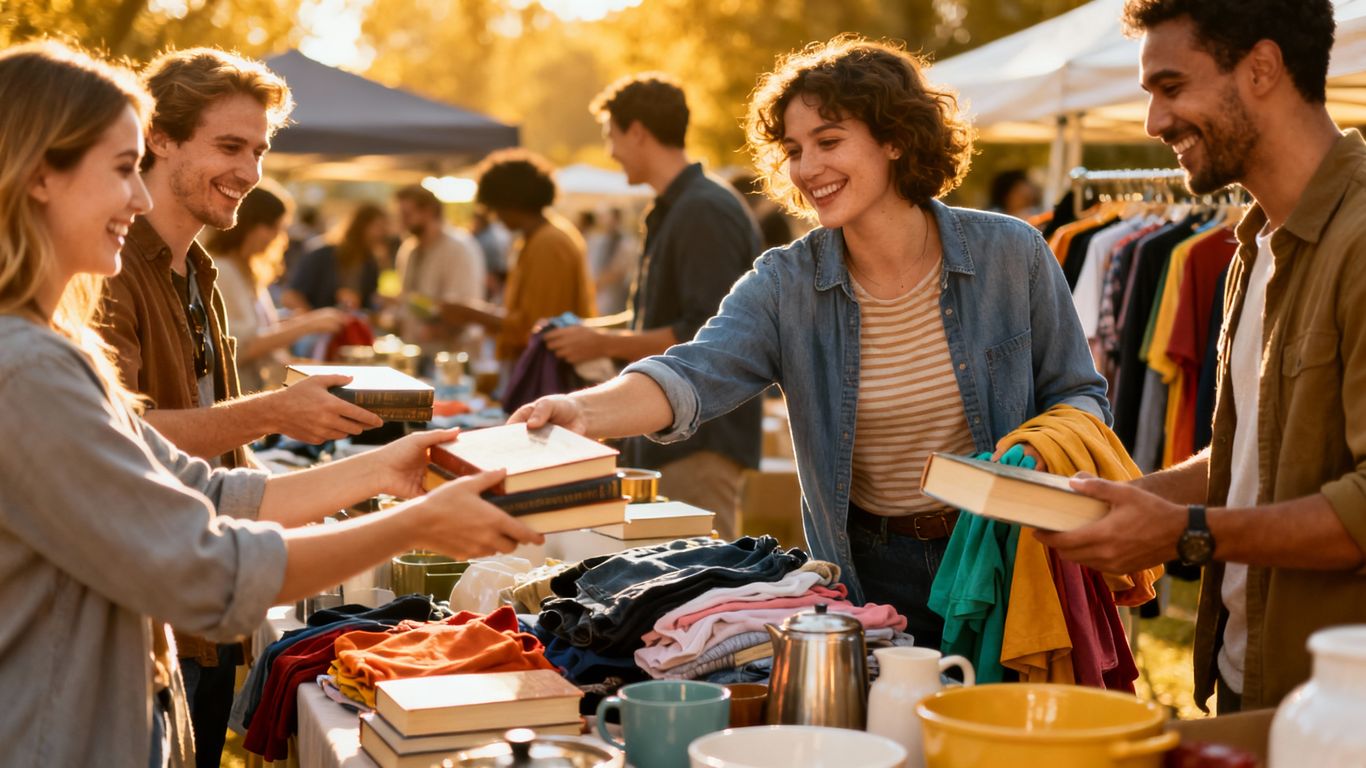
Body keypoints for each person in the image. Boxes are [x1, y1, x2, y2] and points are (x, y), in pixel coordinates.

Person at [0, 40, 541, 768]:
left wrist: (387, 469)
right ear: (40, 176)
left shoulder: (50, 348)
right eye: (123, 170)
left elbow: (209, 490)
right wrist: (417, 523)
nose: (137, 196)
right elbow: (207, 570)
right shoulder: (28, 365)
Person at [513, 37, 1107, 647]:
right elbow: (691, 373)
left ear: (895, 138)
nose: (807, 169)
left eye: (829, 141)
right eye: (794, 150)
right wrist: (584, 410)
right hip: (866, 573)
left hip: (1004, 553)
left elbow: (1079, 393)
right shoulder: (785, 283)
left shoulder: (1012, 253)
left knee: (995, 733)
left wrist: (1044, 449)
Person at [1037, 0, 1366, 715]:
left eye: (1172, 86)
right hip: (1250, 682)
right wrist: (1128, 497)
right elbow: (1253, 454)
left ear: (1263, 69)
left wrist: (1186, 534)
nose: (1154, 123)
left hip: (1342, 712)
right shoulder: (1255, 246)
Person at [96, 46, 386, 767]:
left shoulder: (196, 267)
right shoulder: (106, 270)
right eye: (229, 146)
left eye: (258, 150)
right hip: (152, 615)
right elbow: (122, 441)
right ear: (157, 137)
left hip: (211, 603)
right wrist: (277, 413)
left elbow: (220, 452)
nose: (250, 172)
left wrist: (322, 494)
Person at [541, 74, 765, 536]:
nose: (610, 150)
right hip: (670, 432)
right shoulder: (675, 206)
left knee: (702, 582)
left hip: (703, 438)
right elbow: (653, 319)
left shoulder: (703, 210)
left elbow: (706, 336)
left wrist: (599, 340)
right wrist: (587, 333)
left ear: (638, 131)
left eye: (611, 135)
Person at [443, 150, 596, 368]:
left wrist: (473, 314)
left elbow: (537, 328)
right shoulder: (533, 239)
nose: (494, 215)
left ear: (510, 202)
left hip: (549, 372)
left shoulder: (549, 243)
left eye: (495, 207)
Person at [206, 181, 348, 393]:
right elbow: (241, 346)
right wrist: (308, 325)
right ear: (250, 225)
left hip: (255, 392)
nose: (277, 237)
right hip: (237, 397)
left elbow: (259, 333)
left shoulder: (246, 272)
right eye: (273, 227)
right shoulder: (223, 271)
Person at [392, 184, 485, 351]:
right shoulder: (408, 249)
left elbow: (463, 307)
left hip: (453, 353)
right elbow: (408, 300)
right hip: (416, 350)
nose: (402, 222)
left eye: (407, 215)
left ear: (428, 211)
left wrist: (435, 330)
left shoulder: (459, 247)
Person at [282, 201, 389, 314]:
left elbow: (369, 302)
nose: (384, 233)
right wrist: (315, 321)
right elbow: (291, 296)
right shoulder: (322, 254)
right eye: (378, 227)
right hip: (318, 328)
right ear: (361, 226)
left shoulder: (370, 263)